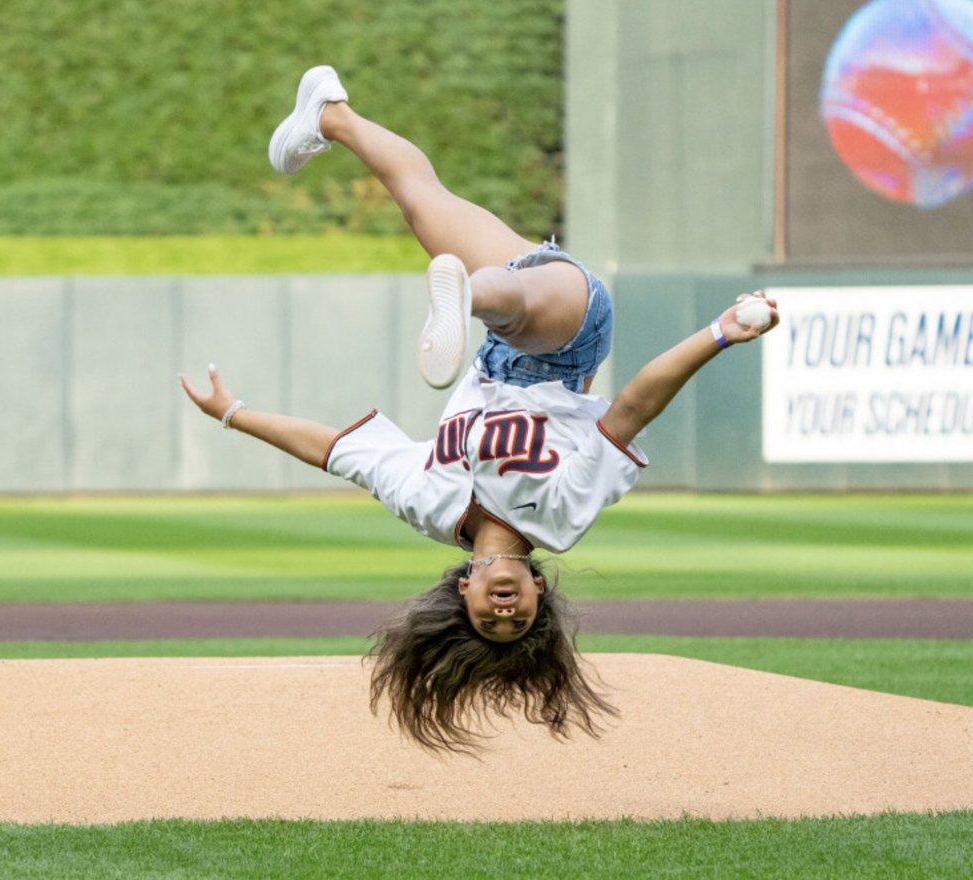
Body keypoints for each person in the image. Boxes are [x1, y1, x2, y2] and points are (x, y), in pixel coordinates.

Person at [180, 65, 779, 752]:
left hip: (496, 332)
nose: (504, 614)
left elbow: (333, 452)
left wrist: (234, 413)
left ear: (462, 594)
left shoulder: (429, 505)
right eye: (518, 621)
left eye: (489, 622)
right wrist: (719, 334)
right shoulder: (560, 518)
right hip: (572, 331)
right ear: (536, 594)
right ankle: (466, 297)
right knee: (517, 310)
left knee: (419, 199)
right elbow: (633, 410)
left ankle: (330, 114)